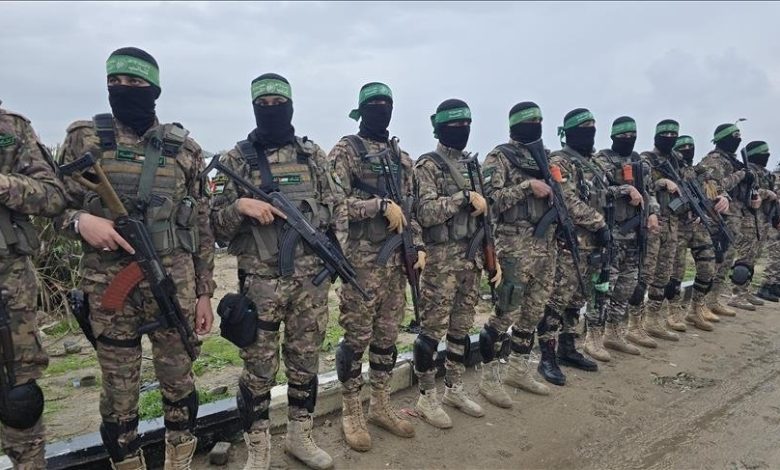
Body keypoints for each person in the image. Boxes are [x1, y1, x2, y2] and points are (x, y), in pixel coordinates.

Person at [57, 47, 215, 470]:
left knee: (179, 378)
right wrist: (81, 221)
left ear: (154, 88)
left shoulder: (185, 150)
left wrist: (204, 293)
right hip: (109, 288)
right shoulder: (84, 138)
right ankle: (126, 462)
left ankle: (179, 459)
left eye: (134, 82)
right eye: (115, 81)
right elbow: (53, 205)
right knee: (119, 388)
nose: (123, 88)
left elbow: (201, 228)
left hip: (172, 284)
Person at [210, 73, 346, 470]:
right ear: (254, 107)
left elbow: (337, 207)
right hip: (261, 286)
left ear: (290, 105)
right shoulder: (236, 160)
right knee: (258, 370)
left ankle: (299, 437)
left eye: (278, 103)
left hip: (310, 285)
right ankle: (258, 449)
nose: (271, 109)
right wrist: (239, 208)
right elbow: (213, 227)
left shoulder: (312, 155)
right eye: (263, 104)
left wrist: (332, 256)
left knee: (305, 361)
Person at [478, 102, 597, 405]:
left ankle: (518, 369)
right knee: (506, 312)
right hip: (514, 247)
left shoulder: (546, 158)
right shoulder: (499, 156)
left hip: (547, 247)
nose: (537, 125)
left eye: (540, 120)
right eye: (531, 120)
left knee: (533, 312)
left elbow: (563, 196)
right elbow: (490, 201)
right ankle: (489, 379)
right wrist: (527, 187)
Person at [328, 82, 419, 451]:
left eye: (387, 103)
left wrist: (419, 247)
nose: (382, 108)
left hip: (397, 262)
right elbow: (332, 204)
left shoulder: (402, 158)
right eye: (375, 103)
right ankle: (351, 410)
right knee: (356, 339)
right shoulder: (346, 151)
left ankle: (380, 403)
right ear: (362, 109)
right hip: (361, 265)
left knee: (386, 337)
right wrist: (377, 206)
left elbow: (411, 208)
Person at [413, 99, 500, 428]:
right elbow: (425, 213)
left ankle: (454, 388)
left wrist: (493, 259)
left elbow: (485, 218)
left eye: (466, 124)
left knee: (461, 330)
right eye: (455, 125)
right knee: (430, 333)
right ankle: (426, 396)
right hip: (441, 264)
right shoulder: (428, 165)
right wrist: (462, 198)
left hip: (471, 260)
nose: (462, 130)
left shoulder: (472, 165)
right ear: (440, 128)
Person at [0, 101, 67, 469]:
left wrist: (4, 184)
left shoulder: (11, 128)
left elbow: (53, 196)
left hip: (9, 292)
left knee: (20, 402)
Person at [545, 109, 616, 364]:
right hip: (569, 243)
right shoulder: (559, 161)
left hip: (593, 244)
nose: (590, 132)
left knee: (577, 298)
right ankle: (547, 355)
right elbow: (567, 199)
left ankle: (568, 348)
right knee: (558, 299)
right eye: (585, 128)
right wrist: (599, 223)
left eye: (593, 127)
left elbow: (606, 192)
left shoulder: (594, 164)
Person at [592, 117, 660, 351]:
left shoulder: (640, 163)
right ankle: (593, 336)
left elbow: (649, 192)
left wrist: (653, 213)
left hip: (635, 235)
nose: (628, 139)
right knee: (604, 288)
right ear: (613, 137)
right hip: (611, 233)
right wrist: (624, 189)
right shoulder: (601, 160)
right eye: (623, 136)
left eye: (632, 135)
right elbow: (594, 192)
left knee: (626, 286)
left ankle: (614, 333)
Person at [637, 120, 687, 342]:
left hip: (673, 224)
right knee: (645, 274)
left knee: (663, 274)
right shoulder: (646, 159)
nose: (670, 138)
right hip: (654, 223)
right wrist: (662, 182)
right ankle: (634, 325)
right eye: (666, 134)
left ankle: (652, 320)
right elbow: (644, 186)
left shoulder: (677, 161)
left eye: (674, 134)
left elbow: (687, 185)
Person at [698, 123, 754, 315]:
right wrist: (741, 175)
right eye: (734, 136)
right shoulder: (714, 160)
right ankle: (700, 304)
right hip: (718, 219)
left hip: (733, 219)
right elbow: (712, 187)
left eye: (739, 136)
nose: (738, 139)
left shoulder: (733, 161)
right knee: (713, 262)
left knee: (726, 262)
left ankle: (712, 300)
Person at [666, 136, 719, 332]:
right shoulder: (668, 168)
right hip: (677, 226)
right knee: (676, 272)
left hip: (698, 225)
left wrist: (714, 202)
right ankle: (673, 311)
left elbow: (713, 193)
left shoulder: (698, 172)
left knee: (708, 267)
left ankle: (697, 308)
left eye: (691, 146)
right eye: (683, 147)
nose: (687, 150)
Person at [744, 141, 780, 302]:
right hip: (753, 220)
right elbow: (750, 191)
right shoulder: (750, 172)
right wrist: (767, 194)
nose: (767, 156)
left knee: (758, 255)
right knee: (750, 256)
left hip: (767, 218)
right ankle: (765, 286)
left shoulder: (766, 173)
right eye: (764, 153)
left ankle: (772, 285)